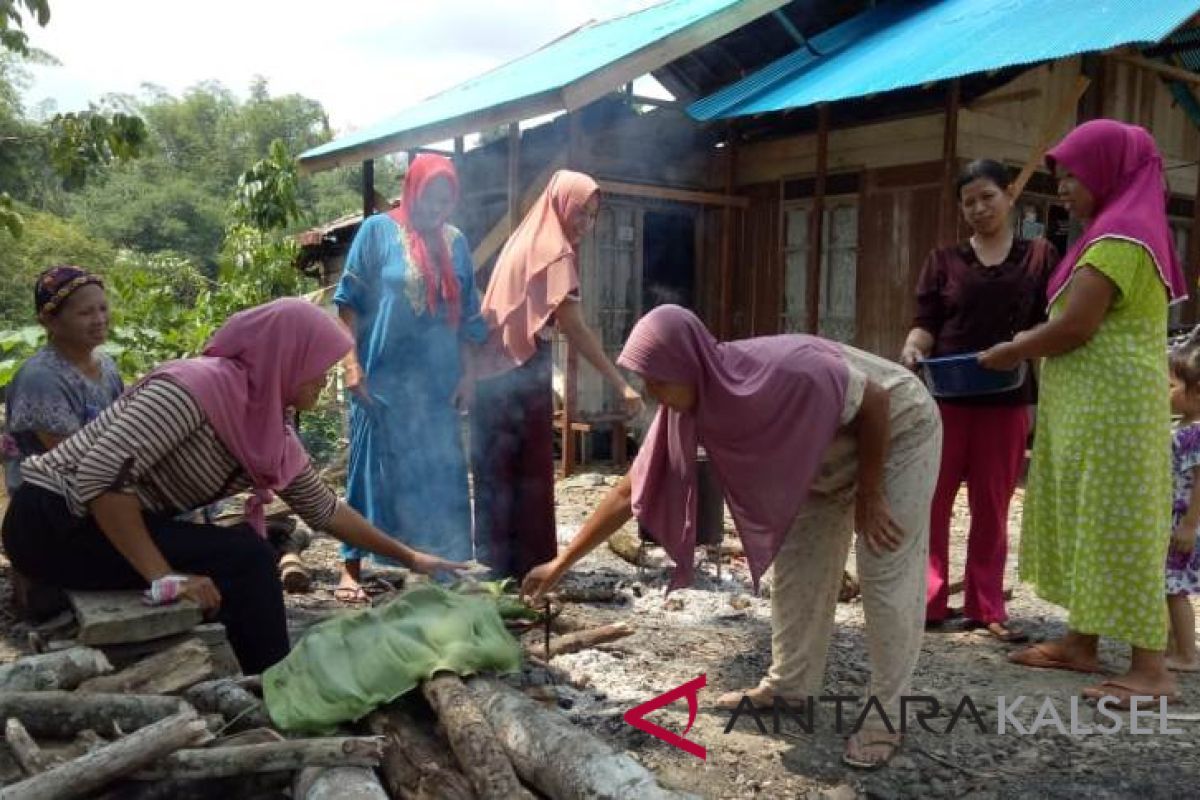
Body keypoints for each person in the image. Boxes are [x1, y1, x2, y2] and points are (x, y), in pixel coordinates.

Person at [522, 304, 941, 769]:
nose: (650, 392)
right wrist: (561, 565)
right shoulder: (688, 404)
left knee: (884, 573)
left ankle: (887, 715)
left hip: (897, 430)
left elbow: (878, 400)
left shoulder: (786, 370)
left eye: (657, 379)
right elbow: (628, 492)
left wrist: (870, 492)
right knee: (798, 572)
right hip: (819, 456)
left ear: (687, 365)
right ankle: (790, 688)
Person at [2, 299, 464, 674]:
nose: (324, 380)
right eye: (317, 367)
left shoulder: (268, 426)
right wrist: (165, 577)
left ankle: (255, 673)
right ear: (287, 356)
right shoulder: (191, 389)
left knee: (245, 552)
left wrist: (411, 557)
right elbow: (101, 480)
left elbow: (323, 509)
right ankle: (272, 680)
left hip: (101, 523)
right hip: (51, 522)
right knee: (247, 558)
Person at [981, 119, 1184, 705]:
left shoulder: (1121, 237)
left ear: (1109, 171)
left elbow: (1076, 326)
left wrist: (1016, 348)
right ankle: (1080, 642)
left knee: (1121, 524)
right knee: (1095, 521)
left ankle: (1151, 670)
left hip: (1114, 416)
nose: (1064, 187)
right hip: (1098, 412)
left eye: (1074, 175)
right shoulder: (1113, 229)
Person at [900, 160, 1057, 642]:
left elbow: (1053, 318)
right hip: (946, 398)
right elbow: (927, 323)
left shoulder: (1039, 256)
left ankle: (986, 605)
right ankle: (927, 602)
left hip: (1007, 399)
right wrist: (913, 348)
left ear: (1010, 195)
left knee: (993, 505)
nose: (979, 208)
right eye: (968, 202)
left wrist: (1023, 344)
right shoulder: (943, 261)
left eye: (987, 196)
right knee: (933, 501)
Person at [471, 170, 643, 581]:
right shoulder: (555, 250)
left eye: (592, 215)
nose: (585, 223)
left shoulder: (526, 238)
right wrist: (620, 384)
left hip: (490, 375)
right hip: (518, 370)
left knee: (498, 474)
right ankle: (532, 569)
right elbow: (574, 326)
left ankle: (494, 569)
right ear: (561, 205)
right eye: (579, 212)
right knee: (530, 472)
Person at [334, 154, 487, 604]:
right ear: (413, 189)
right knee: (368, 470)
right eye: (431, 195)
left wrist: (469, 376)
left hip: (437, 382)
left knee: (440, 471)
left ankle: (448, 568)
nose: (438, 206)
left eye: (447, 198)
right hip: (381, 378)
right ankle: (350, 569)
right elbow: (348, 303)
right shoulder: (377, 231)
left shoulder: (455, 242)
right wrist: (350, 364)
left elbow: (470, 318)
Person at [3, 266, 123, 494]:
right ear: (50, 321)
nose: (100, 319)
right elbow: (74, 461)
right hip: (53, 503)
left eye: (103, 308)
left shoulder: (106, 365)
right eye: (85, 313)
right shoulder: (41, 379)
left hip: (102, 488)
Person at [1164, 335, 1200, 672]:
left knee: (1175, 589)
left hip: (1184, 522)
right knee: (1171, 587)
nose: (1166, 392)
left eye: (1172, 385)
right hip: (1180, 520)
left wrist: (1189, 524)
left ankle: (1187, 654)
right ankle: (1176, 645)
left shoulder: (1193, 433)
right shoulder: (1185, 428)